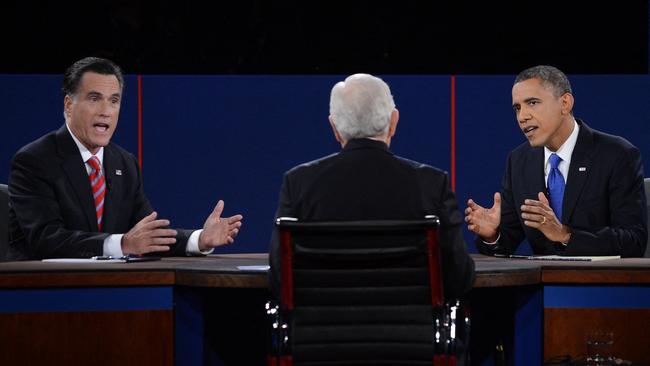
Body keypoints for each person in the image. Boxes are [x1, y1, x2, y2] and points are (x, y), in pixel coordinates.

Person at [7, 57, 243, 260]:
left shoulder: (124, 163)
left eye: (114, 100)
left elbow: (147, 236)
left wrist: (199, 239)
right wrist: (122, 245)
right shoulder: (35, 161)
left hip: (111, 291)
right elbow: (46, 240)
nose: (106, 110)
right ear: (69, 105)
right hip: (44, 296)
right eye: (94, 98)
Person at [269, 73, 475, 299]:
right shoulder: (432, 184)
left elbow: (280, 277)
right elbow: (458, 277)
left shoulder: (298, 183)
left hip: (322, 331)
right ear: (393, 122)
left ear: (334, 127)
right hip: (409, 331)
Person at [465, 65, 647, 257]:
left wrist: (565, 235)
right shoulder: (519, 161)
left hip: (601, 284)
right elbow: (507, 243)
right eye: (517, 108)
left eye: (532, 103)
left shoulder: (617, 155)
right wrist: (492, 235)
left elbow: (633, 241)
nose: (522, 116)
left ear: (565, 103)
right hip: (545, 285)